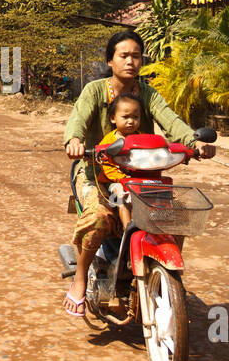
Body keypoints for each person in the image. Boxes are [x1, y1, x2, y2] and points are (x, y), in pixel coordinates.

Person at [61, 30, 216, 317]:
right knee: (98, 217)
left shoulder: (148, 94)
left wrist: (194, 143)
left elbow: (171, 121)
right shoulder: (94, 91)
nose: (130, 61)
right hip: (97, 172)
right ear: (110, 60)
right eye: (123, 55)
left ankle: (160, 270)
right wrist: (74, 141)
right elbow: (77, 120)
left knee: (177, 214)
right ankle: (81, 278)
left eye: (136, 55)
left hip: (142, 173)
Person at [97, 93, 144, 233]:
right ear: (113, 118)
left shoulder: (141, 138)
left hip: (136, 179)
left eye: (135, 117)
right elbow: (106, 166)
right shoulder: (109, 141)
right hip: (114, 180)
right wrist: (123, 179)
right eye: (125, 117)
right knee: (121, 194)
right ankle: (128, 229)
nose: (131, 121)